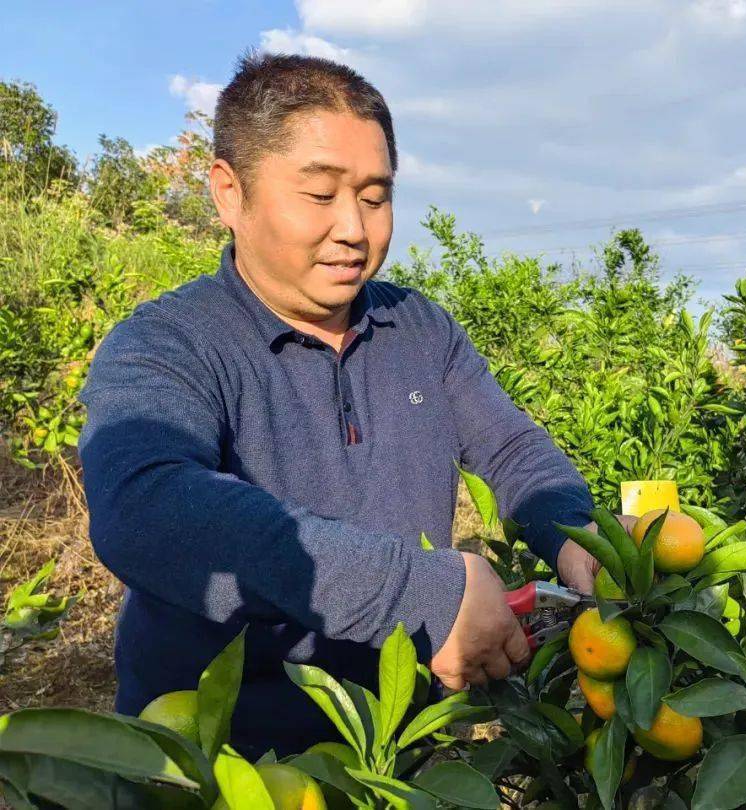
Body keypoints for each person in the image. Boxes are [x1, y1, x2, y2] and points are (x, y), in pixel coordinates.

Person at [77, 52, 605, 758]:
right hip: (225, 764)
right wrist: (417, 593)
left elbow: (509, 448)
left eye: (376, 196)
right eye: (321, 196)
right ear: (229, 193)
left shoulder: (420, 328)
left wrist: (581, 536)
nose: (355, 229)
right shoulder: (168, 345)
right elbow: (145, 505)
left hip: (395, 748)